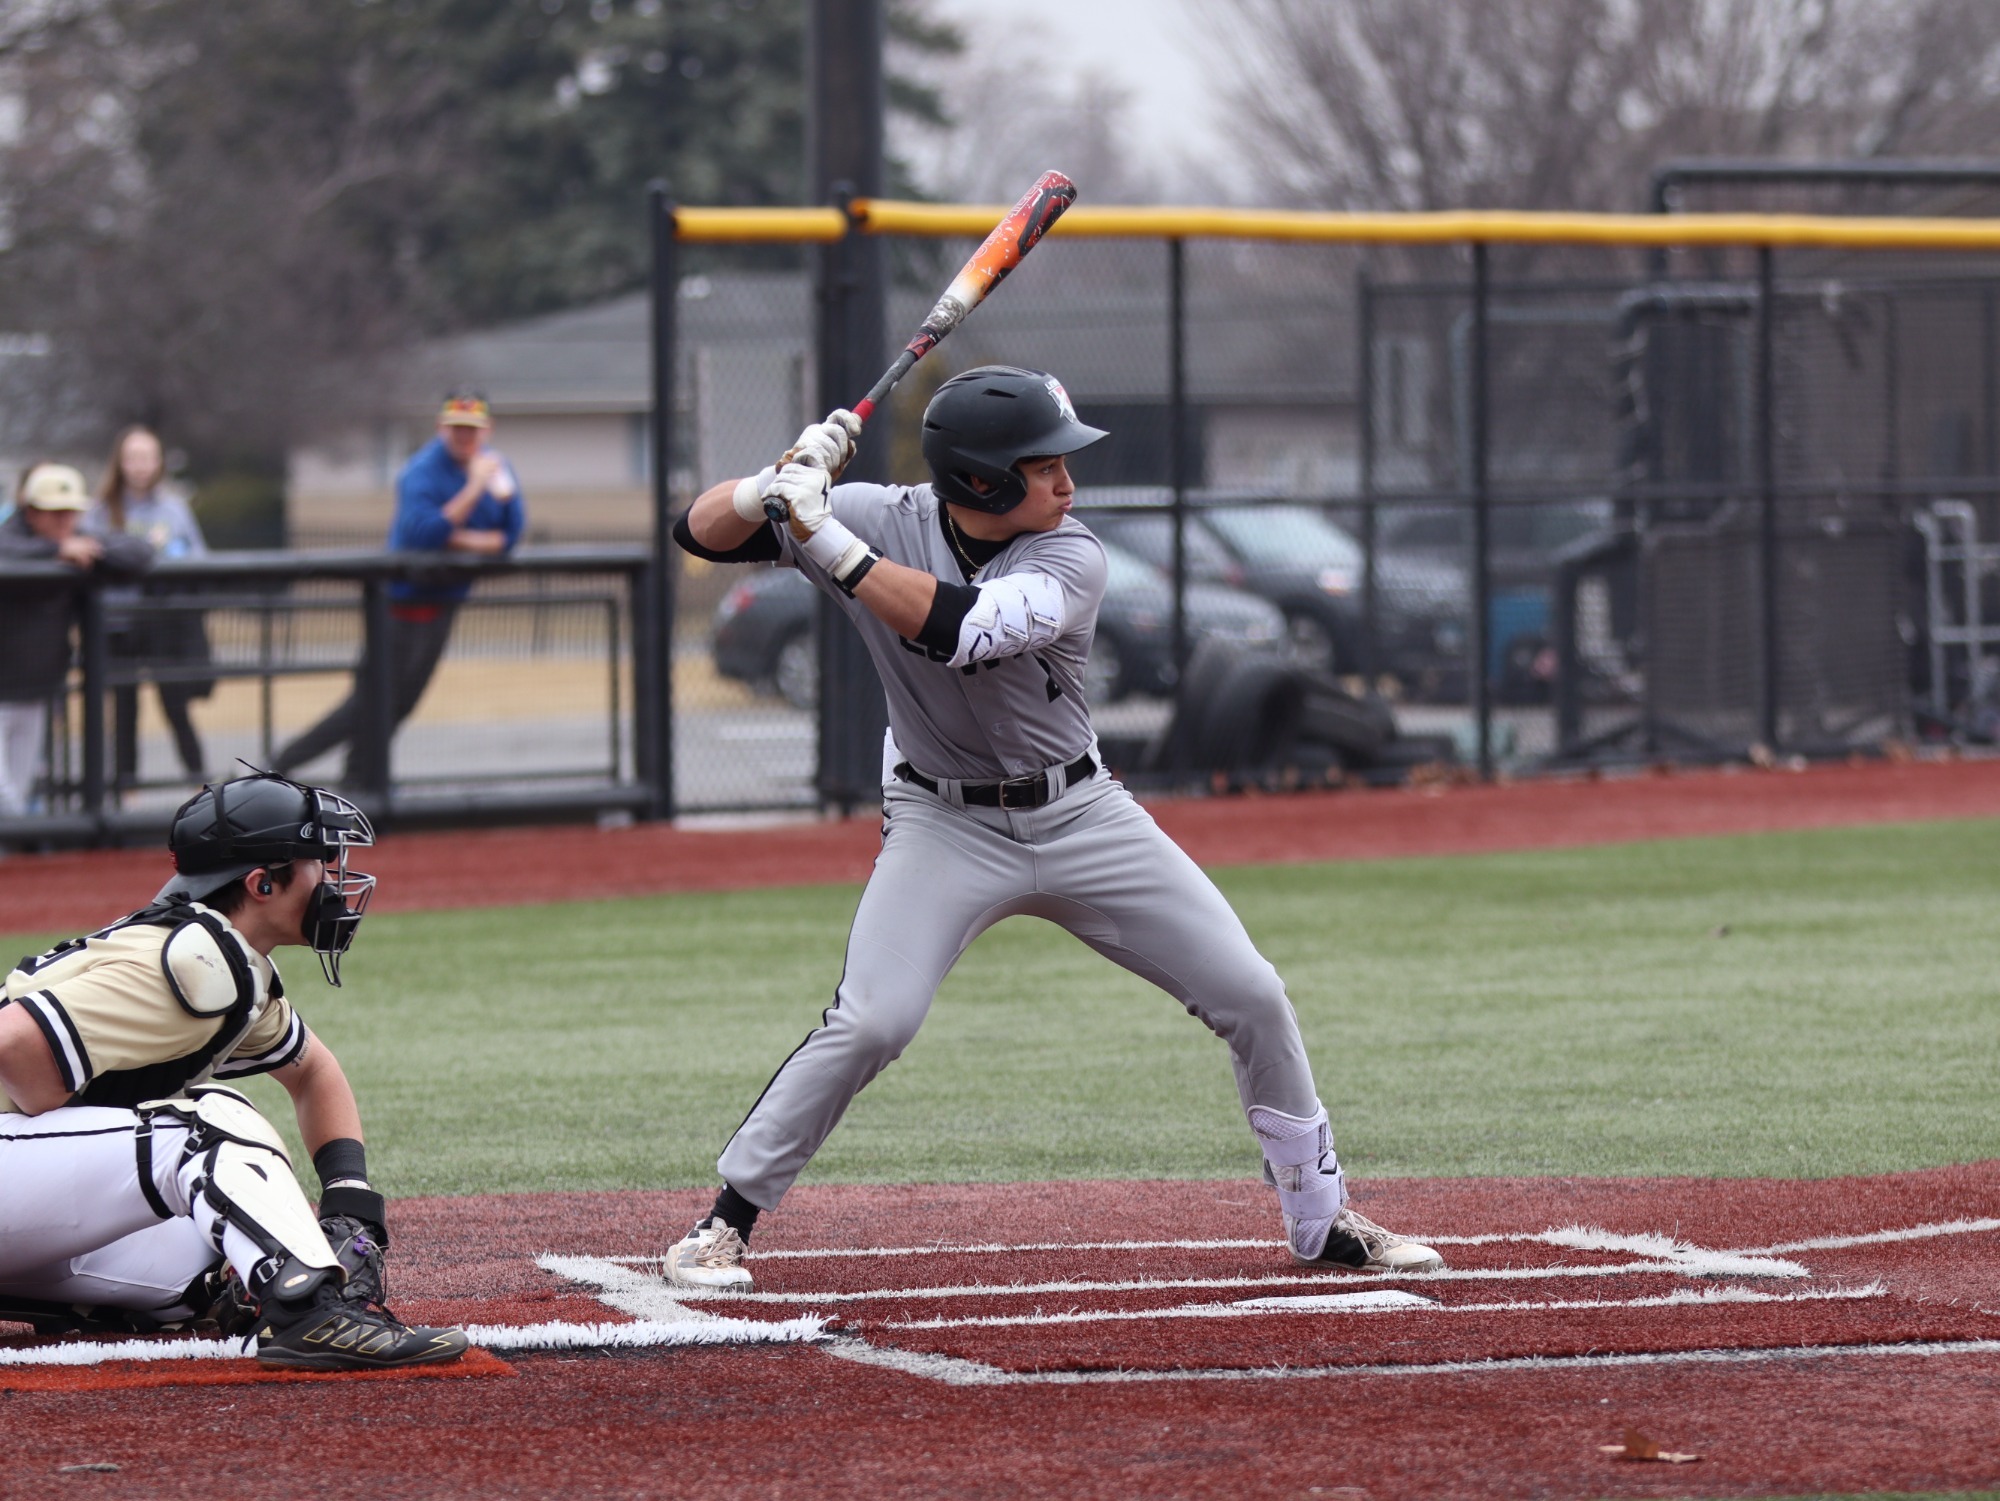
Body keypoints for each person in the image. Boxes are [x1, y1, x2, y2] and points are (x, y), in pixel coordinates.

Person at [662, 366, 1444, 1290]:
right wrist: (766, 488)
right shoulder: (878, 513)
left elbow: (959, 628)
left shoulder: (1071, 555)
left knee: (1255, 993)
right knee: (873, 1019)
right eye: (1044, 466)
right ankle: (723, 1225)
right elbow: (698, 533)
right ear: (983, 481)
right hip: (940, 821)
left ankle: (1322, 1219)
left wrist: (821, 532)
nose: (1067, 483)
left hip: (1082, 814)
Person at [0, 772, 469, 1369]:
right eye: (318, 861)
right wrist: (57, 1100)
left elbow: (312, 1072)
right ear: (261, 884)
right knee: (211, 1124)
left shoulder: (225, 962)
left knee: (207, 1257)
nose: (334, 877)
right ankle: (310, 1314)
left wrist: (348, 1201)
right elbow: (10, 1041)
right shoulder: (196, 965)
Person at [272, 391, 523, 779]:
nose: (465, 437)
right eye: (457, 428)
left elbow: (511, 532)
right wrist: (472, 491)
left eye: (472, 430)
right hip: (397, 607)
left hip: (443, 604)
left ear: (487, 431)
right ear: (441, 428)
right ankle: (280, 765)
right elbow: (423, 535)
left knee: (401, 705)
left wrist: (458, 534)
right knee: (369, 703)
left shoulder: (496, 469)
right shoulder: (420, 471)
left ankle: (359, 783)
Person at [0, 464, 153, 817]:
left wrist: (88, 549)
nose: (65, 520)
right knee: (6, 803)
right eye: (54, 512)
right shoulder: (16, 539)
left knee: (17, 794)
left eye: (70, 511)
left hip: (35, 691)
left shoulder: (77, 541)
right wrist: (54, 550)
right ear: (31, 511)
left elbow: (139, 552)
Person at [86, 425, 215, 785]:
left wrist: (175, 560)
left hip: (163, 621)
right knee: (124, 708)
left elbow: (199, 555)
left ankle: (202, 784)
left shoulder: (174, 509)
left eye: (147, 457)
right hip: (118, 622)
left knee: (175, 704)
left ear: (158, 462)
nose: (140, 466)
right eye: (132, 458)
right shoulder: (99, 511)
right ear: (120, 462)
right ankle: (125, 789)